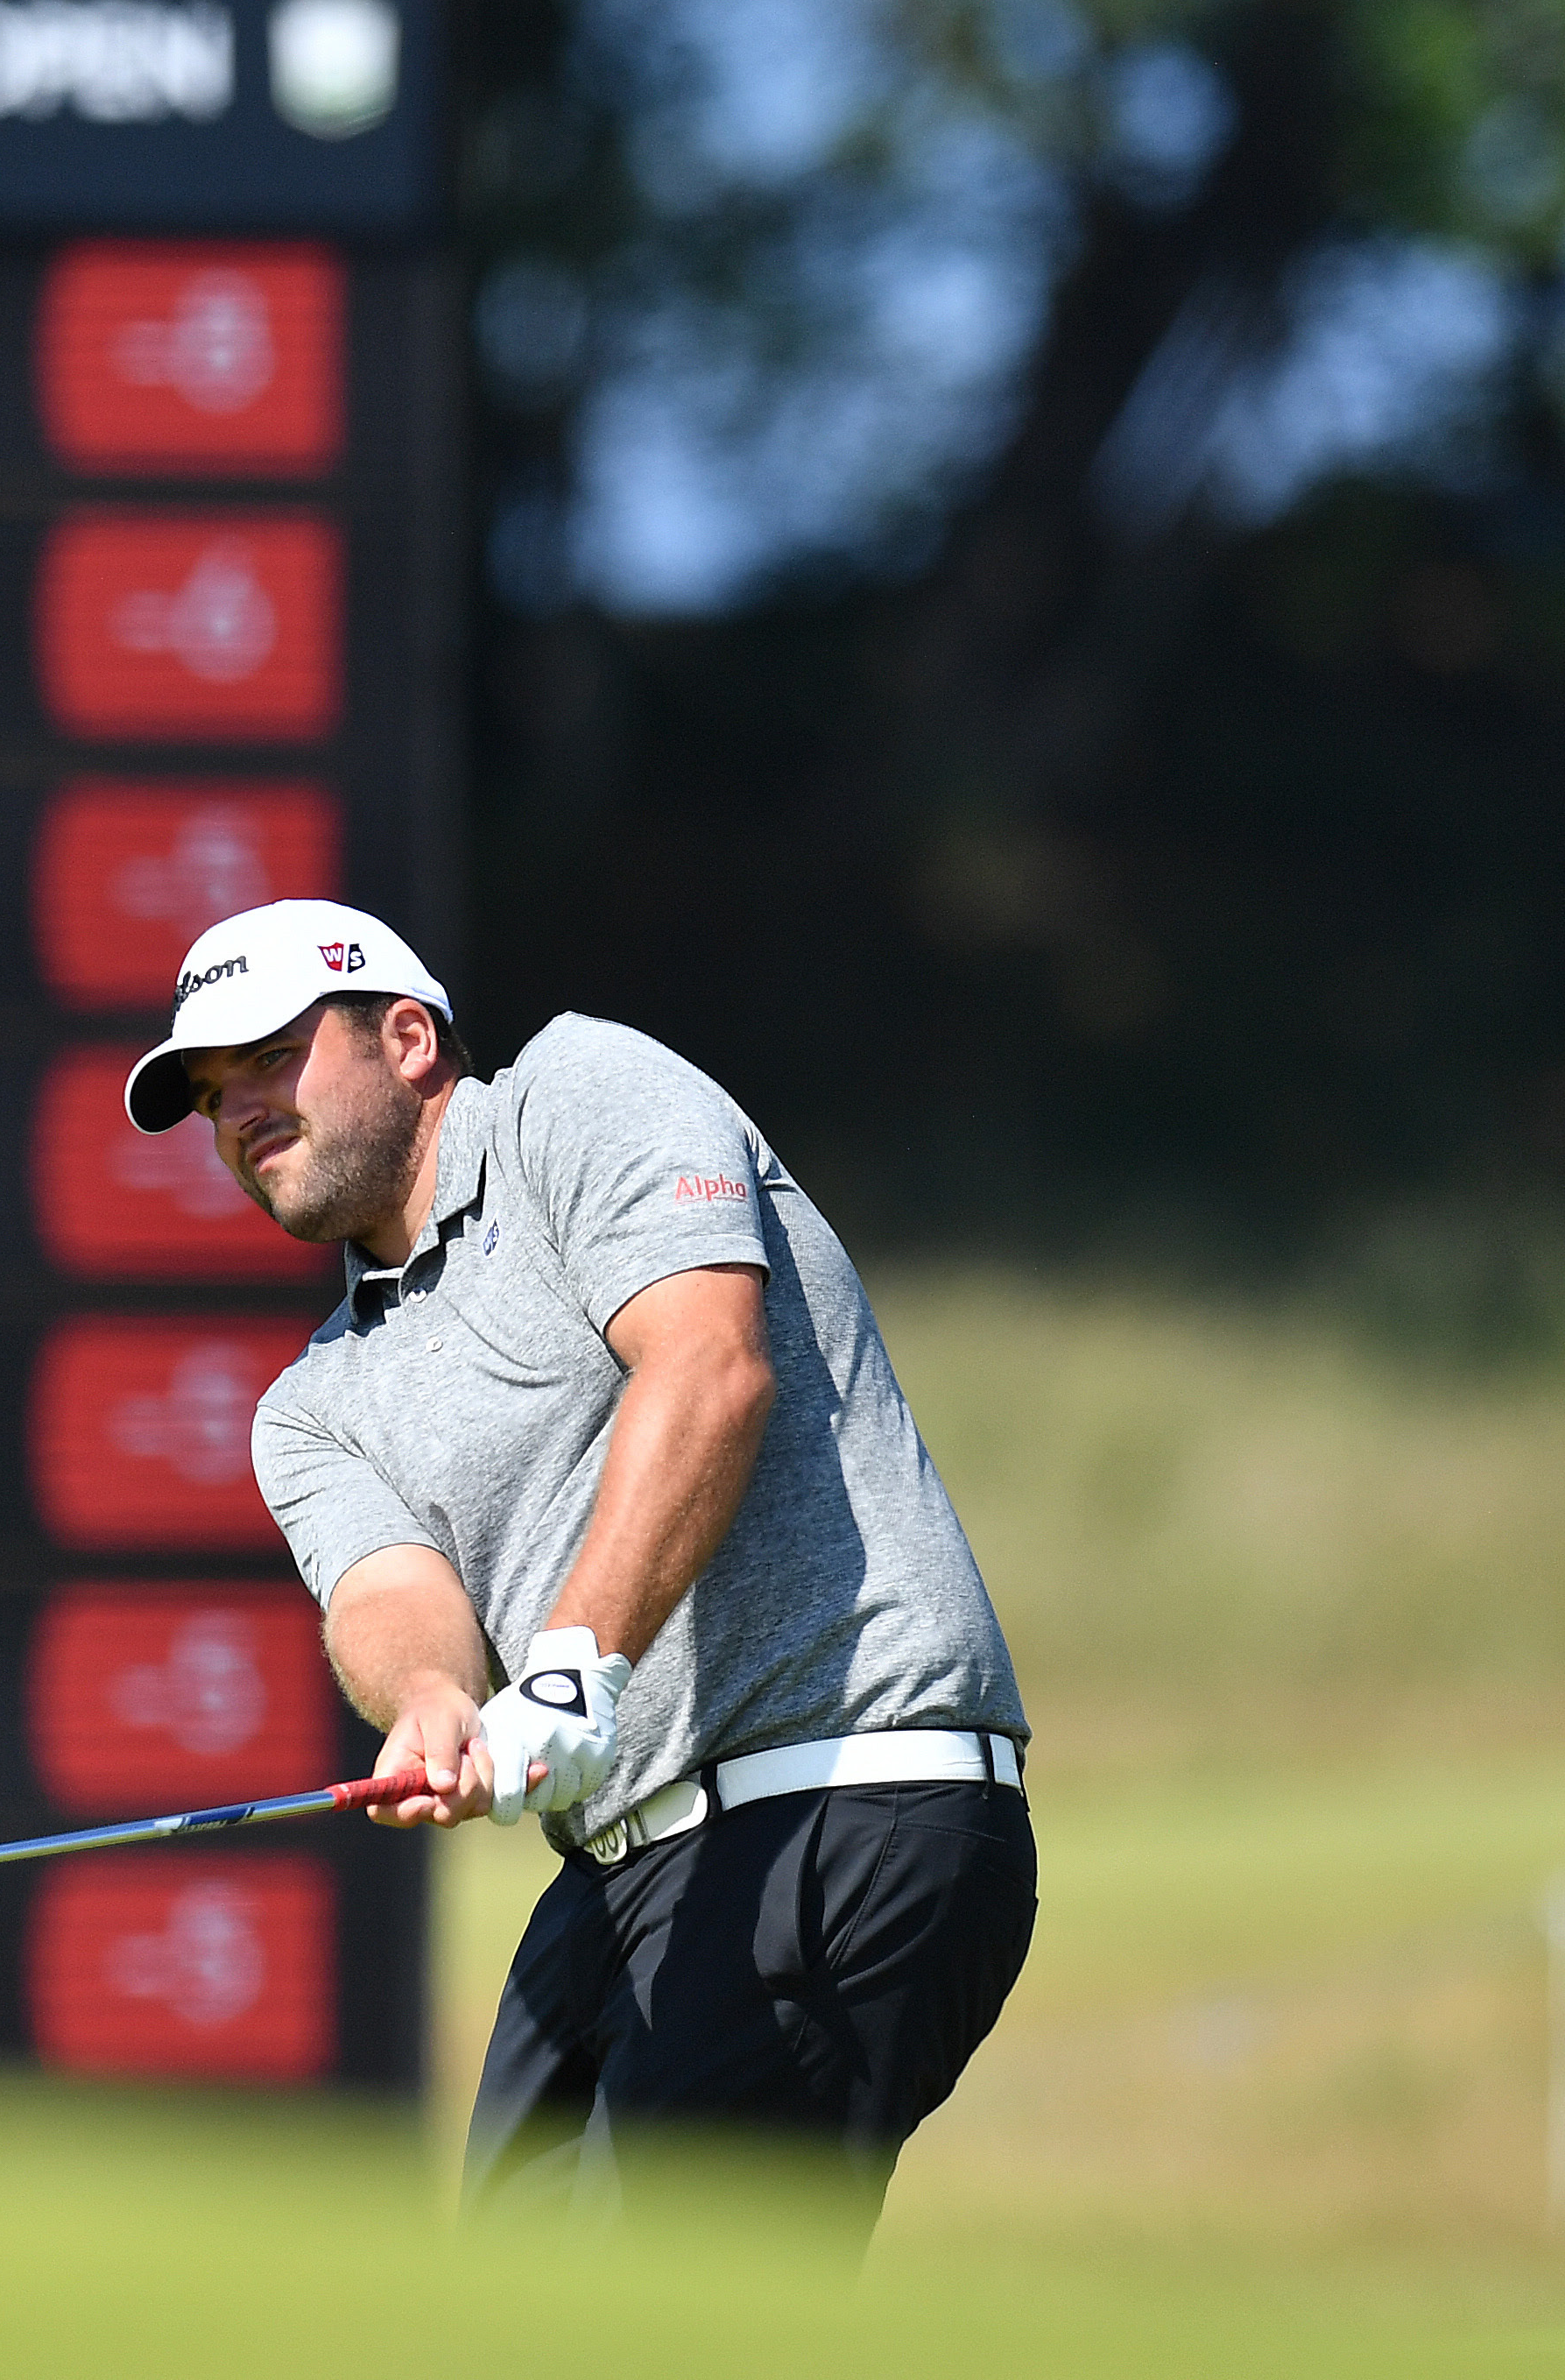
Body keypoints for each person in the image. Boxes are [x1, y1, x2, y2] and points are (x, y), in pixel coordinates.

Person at [118, 898, 1034, 2228]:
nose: (238, 1110)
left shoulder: (580, 1094)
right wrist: (431, 1701)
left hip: (849, 1796)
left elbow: (712, 1368)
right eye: (209, 1094)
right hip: (623, 1871)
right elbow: (388, 1590)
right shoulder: (310, 1405)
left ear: (409, 1037)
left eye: (269, 1057)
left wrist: (566, 1672)